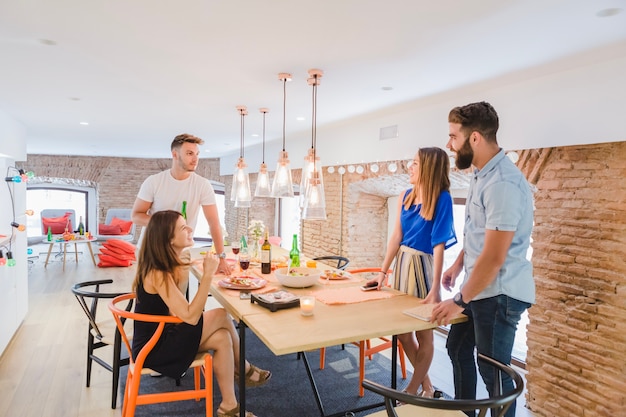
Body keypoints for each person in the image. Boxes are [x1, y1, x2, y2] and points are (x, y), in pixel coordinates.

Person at [432, 102, 534, 417]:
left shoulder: (502, 182)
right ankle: (464, 412)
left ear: (474, 138)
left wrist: (459, 300)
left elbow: (494, 255)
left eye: (453, 137)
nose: (449, 145)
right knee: (458, 348)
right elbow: (480, 234)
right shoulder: (481, 173)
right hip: (481, 288)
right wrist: (458, 264)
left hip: (500, 293)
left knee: (494, 375)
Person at [132, 210, 270, 417]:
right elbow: (190, 316)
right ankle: (243, 369)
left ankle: (229, 407)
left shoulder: (164, 265)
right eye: (183, 228)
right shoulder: (157, 272)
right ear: (169, 239)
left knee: (222, 338)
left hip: (164, 334)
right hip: (153, 349)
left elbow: (177, 310)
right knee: (222, 315)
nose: (190, 229)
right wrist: (207, 275)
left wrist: (184, 267)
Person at [366, 147, 457, 398]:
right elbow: (396, 236)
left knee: (423, 333)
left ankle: (411, 389)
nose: (410, 167)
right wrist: (383, 273)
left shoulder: (443, 199)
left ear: (428, 167)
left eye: (415, 163)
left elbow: (439, 244)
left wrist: (435, 287)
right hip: (403, 266)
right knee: (403, 333)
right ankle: (426, 386)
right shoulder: (405, 195)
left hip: (423, 267)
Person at [132, 133, 230, 275]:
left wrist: (221, 258)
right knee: (148, 296)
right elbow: (136, 216)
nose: (195, 159)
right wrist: (168, 226)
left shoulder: (203, 185)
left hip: (181, 253)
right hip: (151, 250)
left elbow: (214, 223)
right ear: (175, 154)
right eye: (189, 153)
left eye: (197, 154)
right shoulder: (154, 182)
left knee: (178, 296)